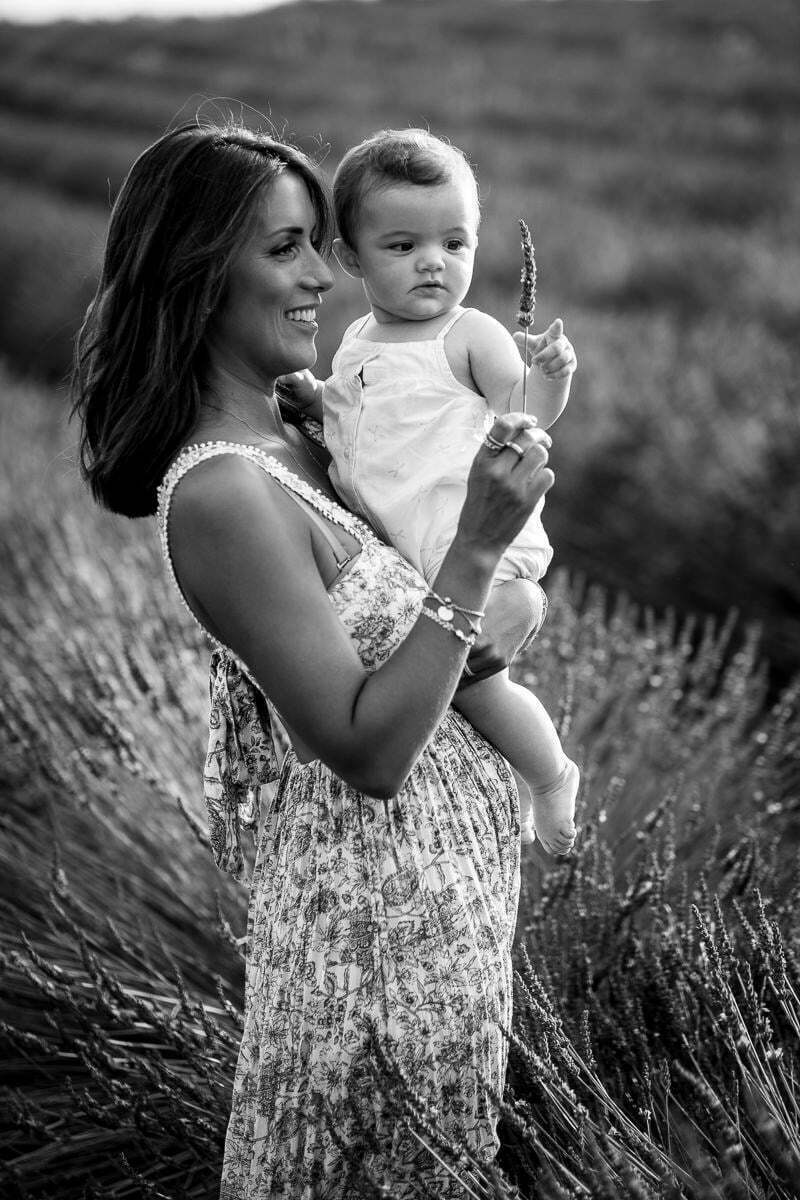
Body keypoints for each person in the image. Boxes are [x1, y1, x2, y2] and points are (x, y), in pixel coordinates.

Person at [71, 119, 556, 1199]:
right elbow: (362, 748)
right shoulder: (222, 491)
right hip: (367, 950)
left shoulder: (304, 431)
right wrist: (478, 554)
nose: (323, 278)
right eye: (285, 248)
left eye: (317, 244)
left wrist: (504, 598)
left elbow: (439, 631)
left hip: (444, 924)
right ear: (201, 271)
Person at [284, 128, 579, 853]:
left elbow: (524, 412)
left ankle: (549, 775)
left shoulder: (469, 334)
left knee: (472, 683)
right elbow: (359, 417)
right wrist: (314, 399)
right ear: (351, 258)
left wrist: (549, 378)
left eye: (454, 243)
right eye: (403, 245)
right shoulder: (357, 339)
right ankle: (492, 778)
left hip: (465, 543)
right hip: (409, 555)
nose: (433, 262)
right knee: (432, 688)